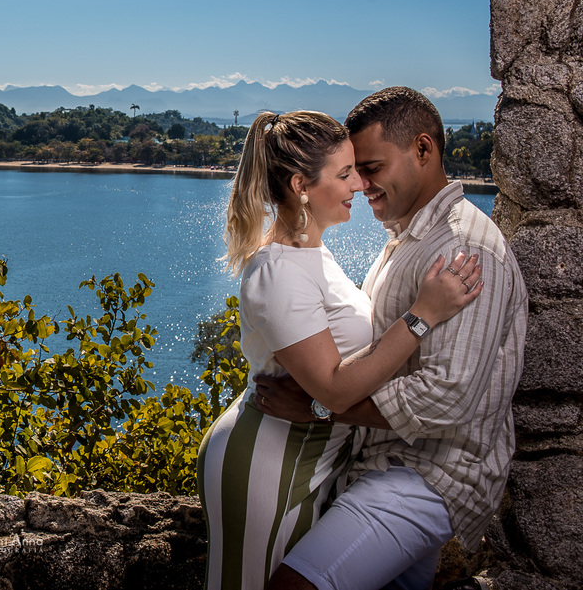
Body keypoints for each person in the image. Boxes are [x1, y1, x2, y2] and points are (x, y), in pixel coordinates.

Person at [196, 109, 482, 590]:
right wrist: (423, 315)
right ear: (300, 185)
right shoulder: (278, 272)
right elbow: (331, 388)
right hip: (272, 458)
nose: (359, 186)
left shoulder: (314, 252)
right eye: (345, 173)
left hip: (308, 455)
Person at [257, 87, 528, 590]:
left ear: (423, 151)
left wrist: (320, 406)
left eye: (372, 167)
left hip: (428, 475)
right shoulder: (409, 239)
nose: (360, 184)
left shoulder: (464, 250)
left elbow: (448, 396)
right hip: (387, 465)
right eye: (354, 170)